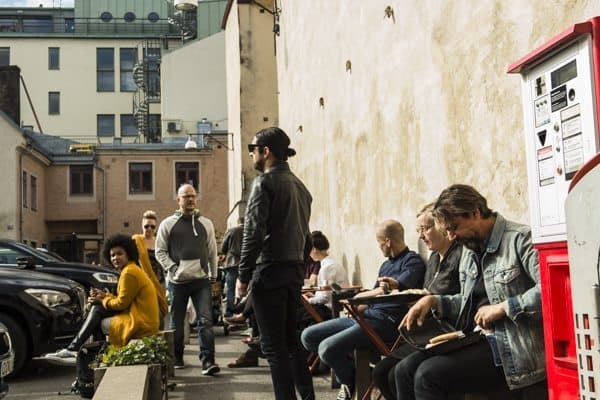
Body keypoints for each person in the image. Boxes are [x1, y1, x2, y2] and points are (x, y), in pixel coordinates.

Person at [396, 184, 545, 400]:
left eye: (454, 227)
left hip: (511, 347)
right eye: (447, 230)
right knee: (404, 370)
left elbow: (549, 291)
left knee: (428, 376)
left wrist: (504, 307)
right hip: (475, 338)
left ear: (475, 211)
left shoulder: (520, 239)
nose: (451, 236)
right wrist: (435, 301)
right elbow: (468, 303)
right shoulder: (469, 248)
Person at [301, 220, 425, 400]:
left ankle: (349, 380)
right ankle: (356, 373)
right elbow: (373, 295)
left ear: (388, 241)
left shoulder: (412, 261)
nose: (379, 247)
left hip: (386, 323)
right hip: (365, 317)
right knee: (308, 336)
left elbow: (392, 288)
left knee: (326, 349)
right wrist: (357, 304)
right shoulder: (385, 265)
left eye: (379, 243)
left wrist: (363, 296)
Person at [236, 127, 315, 400]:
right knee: (291, 343)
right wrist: (300, 266)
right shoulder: (300, 187)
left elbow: (253, 232)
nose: (251, 154)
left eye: (253, 148)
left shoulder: (264, 183)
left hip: (270, 269)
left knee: (273, 347)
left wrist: (243, 275)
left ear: (265, 151)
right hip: (293, 270)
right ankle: (307, 396)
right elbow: (307, 238)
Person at [372, 203, 462, 399]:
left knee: (401, 372)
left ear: (442, 226)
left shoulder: (460, 256)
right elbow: (428, 291)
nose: (421, 235)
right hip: (426, 331)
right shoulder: (433, 260)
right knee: (380, 372)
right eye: (418, 230)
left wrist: (428, 299)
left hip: (446, 331)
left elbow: (459, 299)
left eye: (425, 228)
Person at [44, 234, 160, 361]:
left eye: (119, 254)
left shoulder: (129, 273)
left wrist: (102, 299)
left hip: (142, 322)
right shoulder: (130, 269)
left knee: (97, 313)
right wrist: (104, 296)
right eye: (112, 255)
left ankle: (82, 351)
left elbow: (121, 304)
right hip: (143, 318)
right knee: (97, 309)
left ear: (128, 254)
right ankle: (88, 353)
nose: (115, 258)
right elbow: (124, 299)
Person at [155, 183, 220, 375]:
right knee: (176, 322)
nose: (190, 199)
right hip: (177, 283)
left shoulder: (206, 223)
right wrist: (173, 267)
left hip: (201, 281)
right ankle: (177, 358)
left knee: (206, 322)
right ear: (178, 200)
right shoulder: (168, 224)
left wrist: (214, 276)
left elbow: (212, 252)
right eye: (186, 196)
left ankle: (208, 362)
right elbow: (160, 251)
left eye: (193, 196)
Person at [300, 230, 349, 326]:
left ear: (314, 249)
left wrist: (308, 300)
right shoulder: (330, 263)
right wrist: (313, 296)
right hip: (331, 304)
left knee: (298, 315)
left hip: (330, 309)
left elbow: (325, 298)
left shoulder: (327, 267)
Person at [132, 210, 168, 328]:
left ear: (156, 227)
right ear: (142, 226)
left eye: (152, 226)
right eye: (146, 226)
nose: (149, 229)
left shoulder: (160, 242)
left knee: (159, 309)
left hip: (159, 281)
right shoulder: (136, 241)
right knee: (144, 309)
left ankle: (159, 337)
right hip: (142, 282)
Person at [219, 217, 244, 317]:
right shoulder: (249, 231)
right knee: (245, 289)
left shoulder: (232, 231)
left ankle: (229, 313)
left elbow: (223, 247)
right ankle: (243, 312)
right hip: (245, 263)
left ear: (237, 223)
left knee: (230, 289)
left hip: (232, 263)